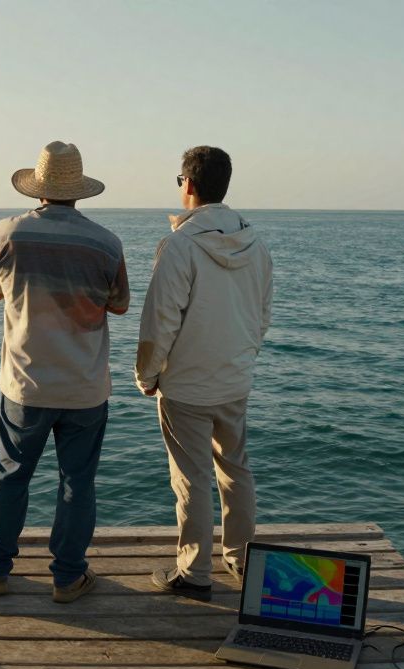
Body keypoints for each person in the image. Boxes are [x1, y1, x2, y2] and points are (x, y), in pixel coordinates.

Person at [0, 141, 129, 604]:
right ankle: (67, 578)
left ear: (37, 189)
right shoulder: (106, 243)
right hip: (84, 387)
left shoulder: (6, 234)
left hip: (25, 383)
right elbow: (119, 305)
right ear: (79, 191)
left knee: (11, 475)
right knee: (77, 482)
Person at [135, 146, 273, 601]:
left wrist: (147, 375)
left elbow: (160, 321)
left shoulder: (180, 246)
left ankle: (194, 574)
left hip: (187, 386)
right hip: (235, 379)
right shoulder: (256, 244)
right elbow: (262, 315)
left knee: (191, 479)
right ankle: (242, 556)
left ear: (188, 185)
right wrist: (243, 357)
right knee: (236, 469)